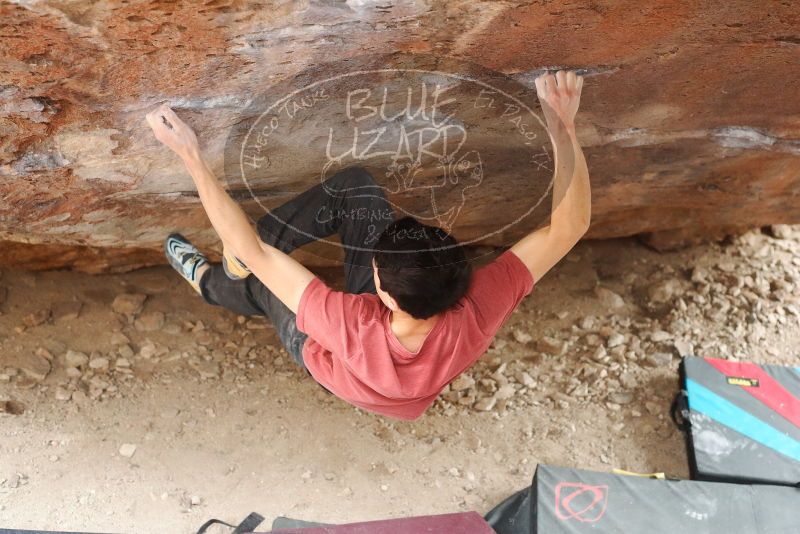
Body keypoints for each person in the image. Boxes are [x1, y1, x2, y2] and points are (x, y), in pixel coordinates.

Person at [146, 70, 590, 420]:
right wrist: (562, 127)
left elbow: (259, 256)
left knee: (262, 283)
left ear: (383, 294)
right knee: (356, 190)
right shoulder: (479, 305)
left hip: (339, 367)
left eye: (376, 265)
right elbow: (568, 228)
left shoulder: (349, 325)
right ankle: (242, 261)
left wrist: (191, 156)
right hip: (399, 355)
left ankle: (212, 284)